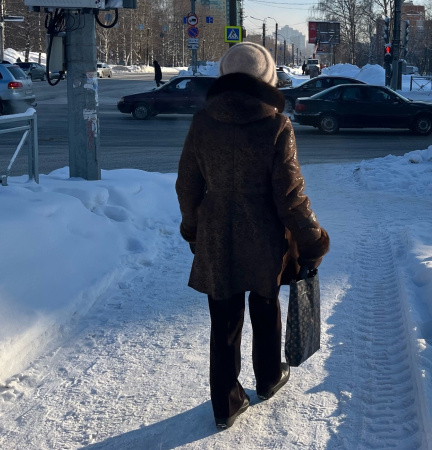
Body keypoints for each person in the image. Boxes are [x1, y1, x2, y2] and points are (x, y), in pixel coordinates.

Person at [175, 42, 329, 431]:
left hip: (215, 234)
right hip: (263, 234)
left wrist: (193, 229)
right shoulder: (276, 125)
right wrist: (311, 241)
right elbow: (291, 196)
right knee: (266, 305)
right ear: (267, 78)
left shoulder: (202, 123)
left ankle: (226, 403)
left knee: (223, 318)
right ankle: (268, 377)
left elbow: (187, 186)